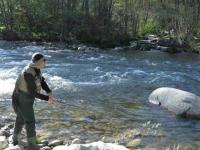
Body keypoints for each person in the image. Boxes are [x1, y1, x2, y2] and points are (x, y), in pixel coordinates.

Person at [12, 52, 55, 150]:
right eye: (44, 60)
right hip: (22, 97)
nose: (45, 62)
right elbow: (32, 92)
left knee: (21, 117)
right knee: (30, 120)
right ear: (39, 62)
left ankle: (15, 140)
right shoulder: (28, 73)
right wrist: (47, 99)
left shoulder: (36, 69)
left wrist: (49, 92)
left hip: (26, 96)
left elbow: (42, 81)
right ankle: (32, 146)